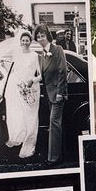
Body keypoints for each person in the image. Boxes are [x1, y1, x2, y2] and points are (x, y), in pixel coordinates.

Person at [2, 30, 41, 158]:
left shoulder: (35, 56)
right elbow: (14, 72)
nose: (25, 42)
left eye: (27, 40)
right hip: (18, 89)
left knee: (31, 118)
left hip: (31, 89)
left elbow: (41, 75)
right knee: (18, 116)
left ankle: (30, 146)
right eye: (23, 40)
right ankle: (19, 138)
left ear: (30, 41)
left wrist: (32, 80)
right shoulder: (17, 55)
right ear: (20, 41)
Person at [35, 24, 67, 165]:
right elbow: (42, 76)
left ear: (47, 36)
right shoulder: (41, 55)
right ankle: (61, 153)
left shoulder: (58, 49)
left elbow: (63, 71)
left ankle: (53, 158)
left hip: (58, 94)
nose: (40, 38)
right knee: (56, 124)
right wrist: (30, 81)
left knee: (54, 124)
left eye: (42, 35)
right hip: (49, 94)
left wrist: (60, 93)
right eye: (38, 36)